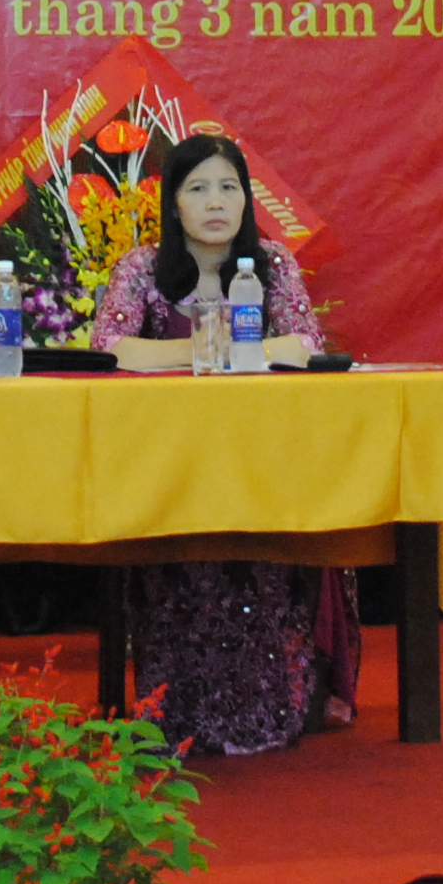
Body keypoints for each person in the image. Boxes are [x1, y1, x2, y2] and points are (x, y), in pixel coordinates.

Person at [89, 135, 360, 755]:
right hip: (167, 466)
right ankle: (172, 708)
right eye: (198, 188)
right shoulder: (143, 267)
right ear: (174, 203)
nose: (216, 202)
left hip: (262, 462)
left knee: (260, 560)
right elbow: (110, 349)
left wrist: (219, 351)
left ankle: (270, 704)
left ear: (246, 200)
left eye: (229, 188)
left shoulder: (272, 263)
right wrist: (206, 348)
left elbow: (305, 346)